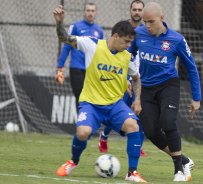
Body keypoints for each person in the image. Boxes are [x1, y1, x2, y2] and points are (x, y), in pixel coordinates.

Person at [53, 5, 147, 183]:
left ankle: (132, 173)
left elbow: (136, 78)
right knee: (82, 133)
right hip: (91, 104)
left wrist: (137, 100)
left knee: (134, 127)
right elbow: (64, 38)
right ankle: (73, 161)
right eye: (126, 41)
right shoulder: (92, 45)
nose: (128, 46)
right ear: (116, 36)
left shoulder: (127, 56)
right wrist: (60, 23)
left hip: (115, 105)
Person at [129, 2, 201, 182]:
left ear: (162, 18)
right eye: (144, 22)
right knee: (151, 132)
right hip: (145, 88)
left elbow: (191, 68)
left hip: (168, 85)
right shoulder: (138, 34)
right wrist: (127, 78)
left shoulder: (176, 40)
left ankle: (178, 170)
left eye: (151, 22)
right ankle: (183, 160)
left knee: (168, 123)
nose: (147, 25)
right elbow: (127, 56)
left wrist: (196, 98)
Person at [98, 0, 147, 157]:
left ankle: (137, 145)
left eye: (140, 9)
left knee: (140, 111)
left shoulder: (147, 30)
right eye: (134, 9)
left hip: (139, 76)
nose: (137, 12)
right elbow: (115, 53)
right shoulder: (123, 29)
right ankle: (104, 135)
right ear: (130, 11)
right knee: (120, 112)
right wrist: (124, 77)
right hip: (123, 77)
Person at [55, 2, 104, 110]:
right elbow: (66, 47)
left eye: (92, 11)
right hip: (76, 68)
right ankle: (81, 123)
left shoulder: (99, 31)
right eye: (88, 10)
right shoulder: (75, 27)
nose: (90, 13)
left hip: (91, 70)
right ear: (84, 12)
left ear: (96, 13)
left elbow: (101, 52)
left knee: (90, 99)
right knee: (80, 96)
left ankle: (85, 123)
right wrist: (60, 68)